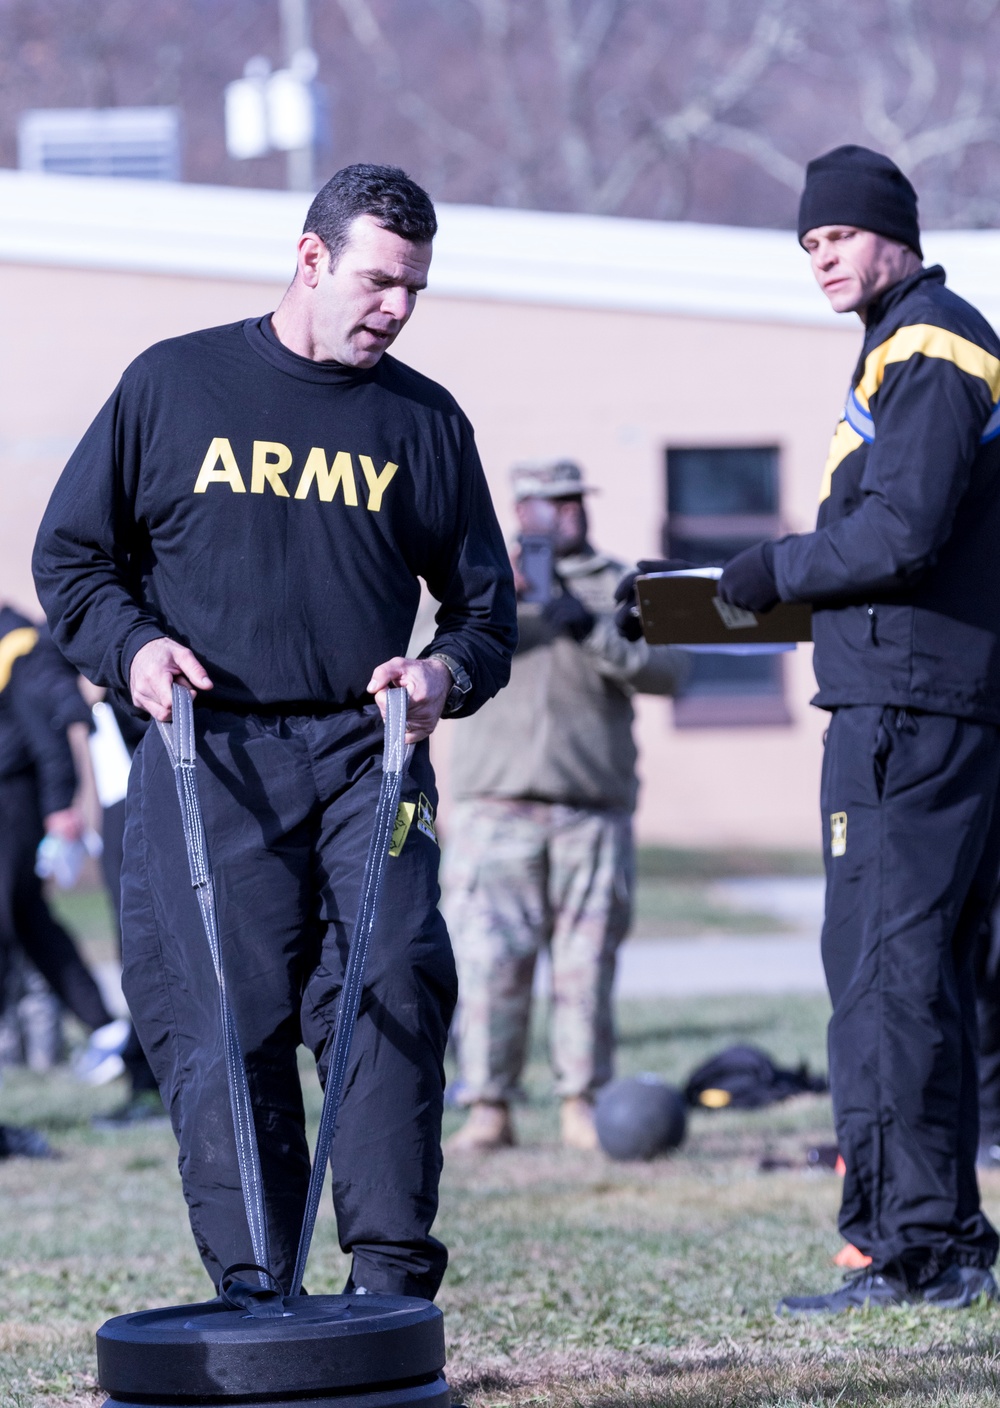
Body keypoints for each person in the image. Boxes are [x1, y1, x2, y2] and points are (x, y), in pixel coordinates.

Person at [33, 163, 516, 1300]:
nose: (394, 307)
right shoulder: (173, 384)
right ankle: (262, 1292)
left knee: (391, 982)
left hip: (368, 752)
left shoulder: (425, 420)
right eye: (378, 280)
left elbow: (487, 610)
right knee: (223, 1019)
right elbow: (72, 561)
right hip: (212, 757)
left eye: (414, 289)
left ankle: (390, 1283)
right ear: (310, 258)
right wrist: (136, 648)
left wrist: (443, 673)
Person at [715, 145, 1000, 1312]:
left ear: (892, 231)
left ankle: (910, 1247)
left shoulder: (928, 345)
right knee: (922, 978)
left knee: (884, 981)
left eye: (835, 236)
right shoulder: (907, 342)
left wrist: (768, 567)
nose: (819, 257)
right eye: (806, 245)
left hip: (907, 716)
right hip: (931, 704)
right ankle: (943, 1235)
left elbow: (898, 536)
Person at [444, 460, 686, 1152]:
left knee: (586, 965)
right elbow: (419, 658)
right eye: (550, 504)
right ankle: (488, 1105)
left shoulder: (620, 583)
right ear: (521, 514)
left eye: (574, 500)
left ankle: (583, 1101)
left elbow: (673, 672)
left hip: (591, 809)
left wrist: (593, 629)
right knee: (490, 964)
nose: (567, 514)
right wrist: (493, 601)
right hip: (496, 808)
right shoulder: (475, 576)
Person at [0, 605, 124, 1071]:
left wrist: (57, 806)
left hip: (14, 801)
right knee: (31, 921)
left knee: (10, 920)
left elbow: (50, 732)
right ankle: (104, 1027)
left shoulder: (17, 646)